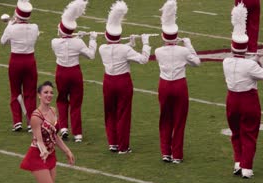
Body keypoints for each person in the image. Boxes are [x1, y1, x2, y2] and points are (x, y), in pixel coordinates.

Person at [223, 3, 263, 179]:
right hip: (249, 100)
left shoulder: (226, 62)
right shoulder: (250, 64)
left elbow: (242, 61)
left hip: (232, 100)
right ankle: (247, 168)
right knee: (250, 133)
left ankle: (238, 162)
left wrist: (255, 59)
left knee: (235, 132)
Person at [20, 81, 75, 183]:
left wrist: (67, 150)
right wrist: (43, 150)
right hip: (37, 155)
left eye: (51, 92)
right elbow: (38, 139)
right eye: (46, 92)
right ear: (39, 95)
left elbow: (54, 135)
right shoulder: (36, 116)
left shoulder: (53, 110)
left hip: (50, 155)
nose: (49, 95)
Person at [99, 0, 151, 153]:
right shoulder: (124, 49)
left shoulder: (102, 48)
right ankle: (123, 147)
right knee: (123, 113)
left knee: (110, 112)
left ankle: (113, 143)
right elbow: (143, 59)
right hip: (123, 82)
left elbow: (117, 48)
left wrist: (131, 43)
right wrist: (146, 43)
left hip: (108, 81)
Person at [155, 0, 200, 163]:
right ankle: (177, 155)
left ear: (163, 37)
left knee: (165, 118)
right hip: (180, 85)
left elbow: (167, 46)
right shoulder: (183, 50)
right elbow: (197, 62)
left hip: (164, 85)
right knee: (179, 120)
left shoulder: (158, 51)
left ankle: (165, 152)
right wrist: (189, 44)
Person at [51, 0, 97, 143]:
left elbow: (65, 41)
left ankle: (63, 128)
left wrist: (78, 38)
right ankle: (77, 134)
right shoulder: (78, 43)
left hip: (61, 73)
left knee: (62, 100)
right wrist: (92, 40)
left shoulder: (54, 42)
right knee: (76, 103)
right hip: (75, 73)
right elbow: (91, 55)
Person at [0, 0, 39, 132]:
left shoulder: (11, 27)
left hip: (16, 61)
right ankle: (30, 122)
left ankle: (17, 121)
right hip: (30, 61)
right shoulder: (35, 27)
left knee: (15, 91)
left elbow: (3, 41)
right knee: (30, 93)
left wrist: (11, 23)